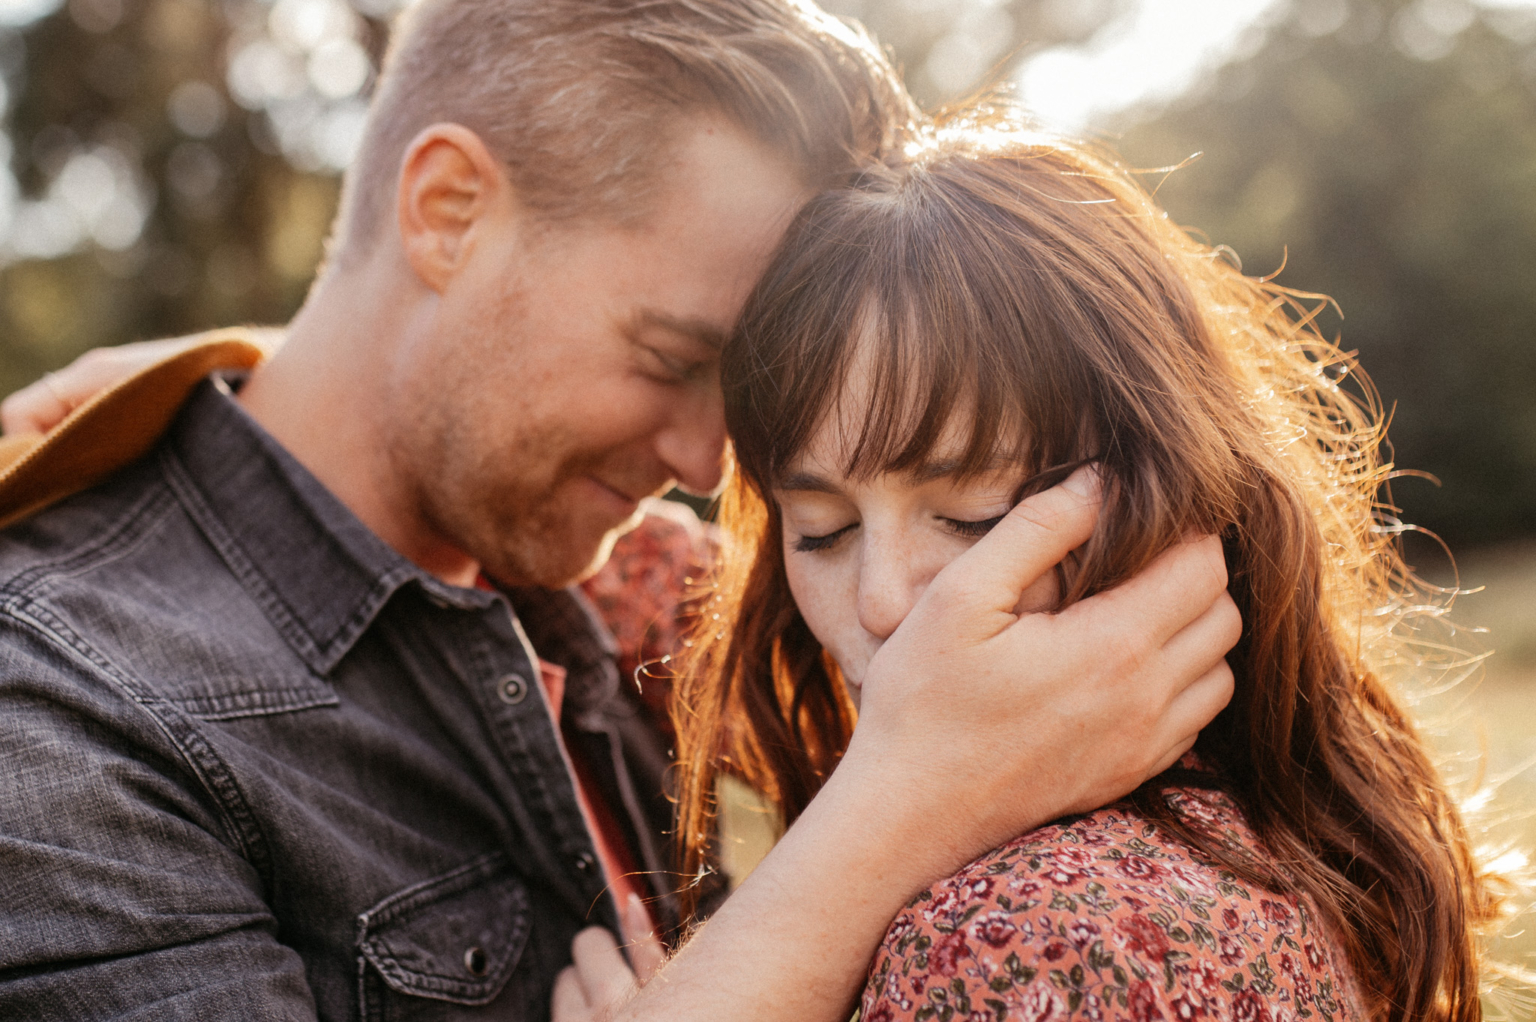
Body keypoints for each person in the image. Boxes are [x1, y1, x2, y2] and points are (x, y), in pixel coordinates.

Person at [0, 1, 1241, 1020]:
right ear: (447, 213)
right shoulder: (61, 722)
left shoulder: (626, 577)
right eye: (668, 354)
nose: (711, 459)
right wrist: (909, 798)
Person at [570, 121, 1490, 1022]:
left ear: (1166, 496)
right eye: (822, 531)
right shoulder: (1274, 831)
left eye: (974, 517)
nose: (886, 601)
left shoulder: (1010, 938)